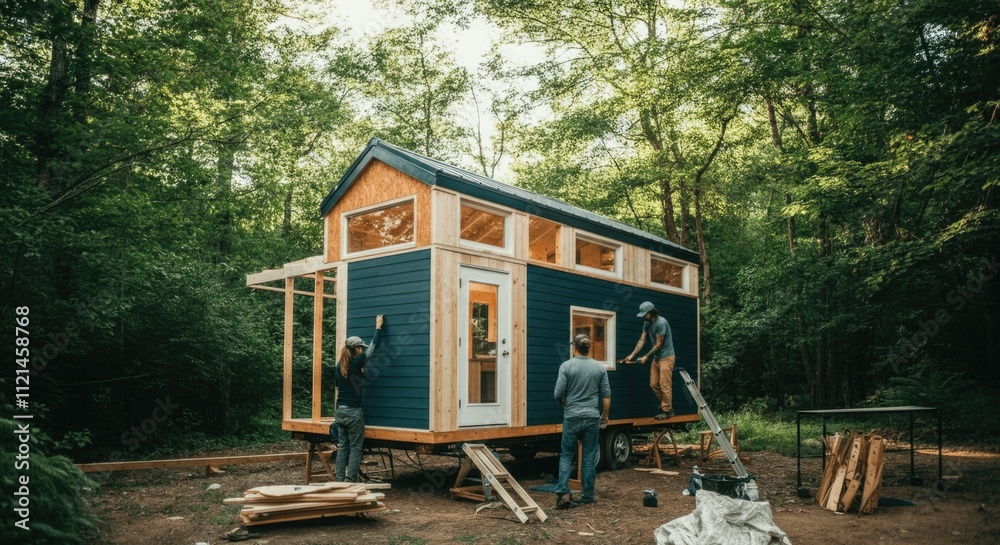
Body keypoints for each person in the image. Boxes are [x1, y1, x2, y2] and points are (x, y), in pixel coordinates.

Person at [553, 333, 612, 508]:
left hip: (572, 416)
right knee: (588, 457)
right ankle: (587, 495)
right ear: (588, 348)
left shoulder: (566, 366)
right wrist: (605, 416)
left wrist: (564, 404)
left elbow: (558, 393)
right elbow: (606, 395)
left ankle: (563, 492)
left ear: (574, 348)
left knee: (566, 455)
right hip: (592, 418)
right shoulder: (599, 368)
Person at [334, 314, 383, 482]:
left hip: (340, 412)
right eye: (360, 347)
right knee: (355, 448)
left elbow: (338, 386)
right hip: (353, 413)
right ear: (356, 350)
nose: (362, 349)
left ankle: (340, 480)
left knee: (343, 447)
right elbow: (373, 348)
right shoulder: (357, 362)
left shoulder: (339, 366)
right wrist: (378, 327)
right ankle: (350, 480)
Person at [625, 301, 675, 420]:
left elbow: (658, 345)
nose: (643, 316)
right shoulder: (647, 323)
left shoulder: (661, 323)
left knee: (665, 385)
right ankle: (664, 406)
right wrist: (632, 355)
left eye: (645, 314)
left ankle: (667, 411)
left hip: (667, 357)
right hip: (657, 357)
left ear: (651, 312)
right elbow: (642, 340)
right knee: (653, 384)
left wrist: (646, 357)